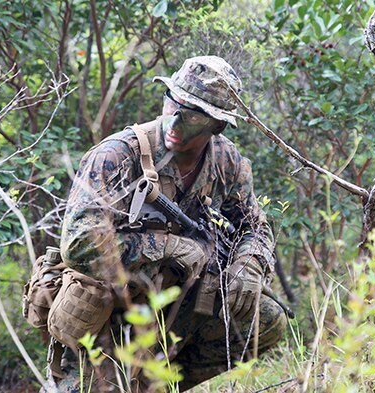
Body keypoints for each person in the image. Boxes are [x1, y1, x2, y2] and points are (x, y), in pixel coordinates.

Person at [49, 56, 286, 392]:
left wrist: (248, 265)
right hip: (111, 311)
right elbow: (79, 244)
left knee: (265, 319)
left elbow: (254, 226)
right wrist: (172, 247)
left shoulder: (227, 161)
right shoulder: (118, 155)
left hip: (177, 304)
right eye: (171, 102)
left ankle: (158, 384)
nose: (173, 121)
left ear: (216, 125)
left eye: (190, 114)